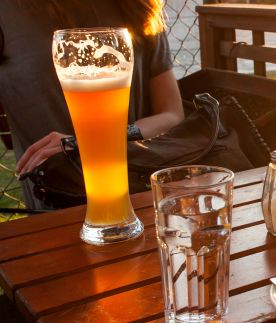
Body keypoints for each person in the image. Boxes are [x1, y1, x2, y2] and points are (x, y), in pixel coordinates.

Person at [0, 0, 184, 209]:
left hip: (141, 189)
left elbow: (172, 114)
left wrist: (86, 143)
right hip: (59, 201)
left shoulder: (137, 5)